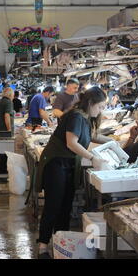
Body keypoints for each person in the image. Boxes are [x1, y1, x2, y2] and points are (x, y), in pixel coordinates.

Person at [36, 87, 111, 259]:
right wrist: (92, 158)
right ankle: (42, 245)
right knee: (53, 205)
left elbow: (91, 136)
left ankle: (60, 242)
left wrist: (112, 143)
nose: (101, 110)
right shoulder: (76, 116)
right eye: (100, 107)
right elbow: (72, 143)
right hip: (56, 164)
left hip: (68, 165)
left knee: (65, 206)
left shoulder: (85, 118)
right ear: (91, 103)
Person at [0, 87, 15, 180]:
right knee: (6, 151)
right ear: (10, 94)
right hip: (5, 131)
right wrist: (9, 129)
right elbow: (7, 116)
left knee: (1, 151)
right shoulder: (8, 102)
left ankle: (0, 169)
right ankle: (3, 171)